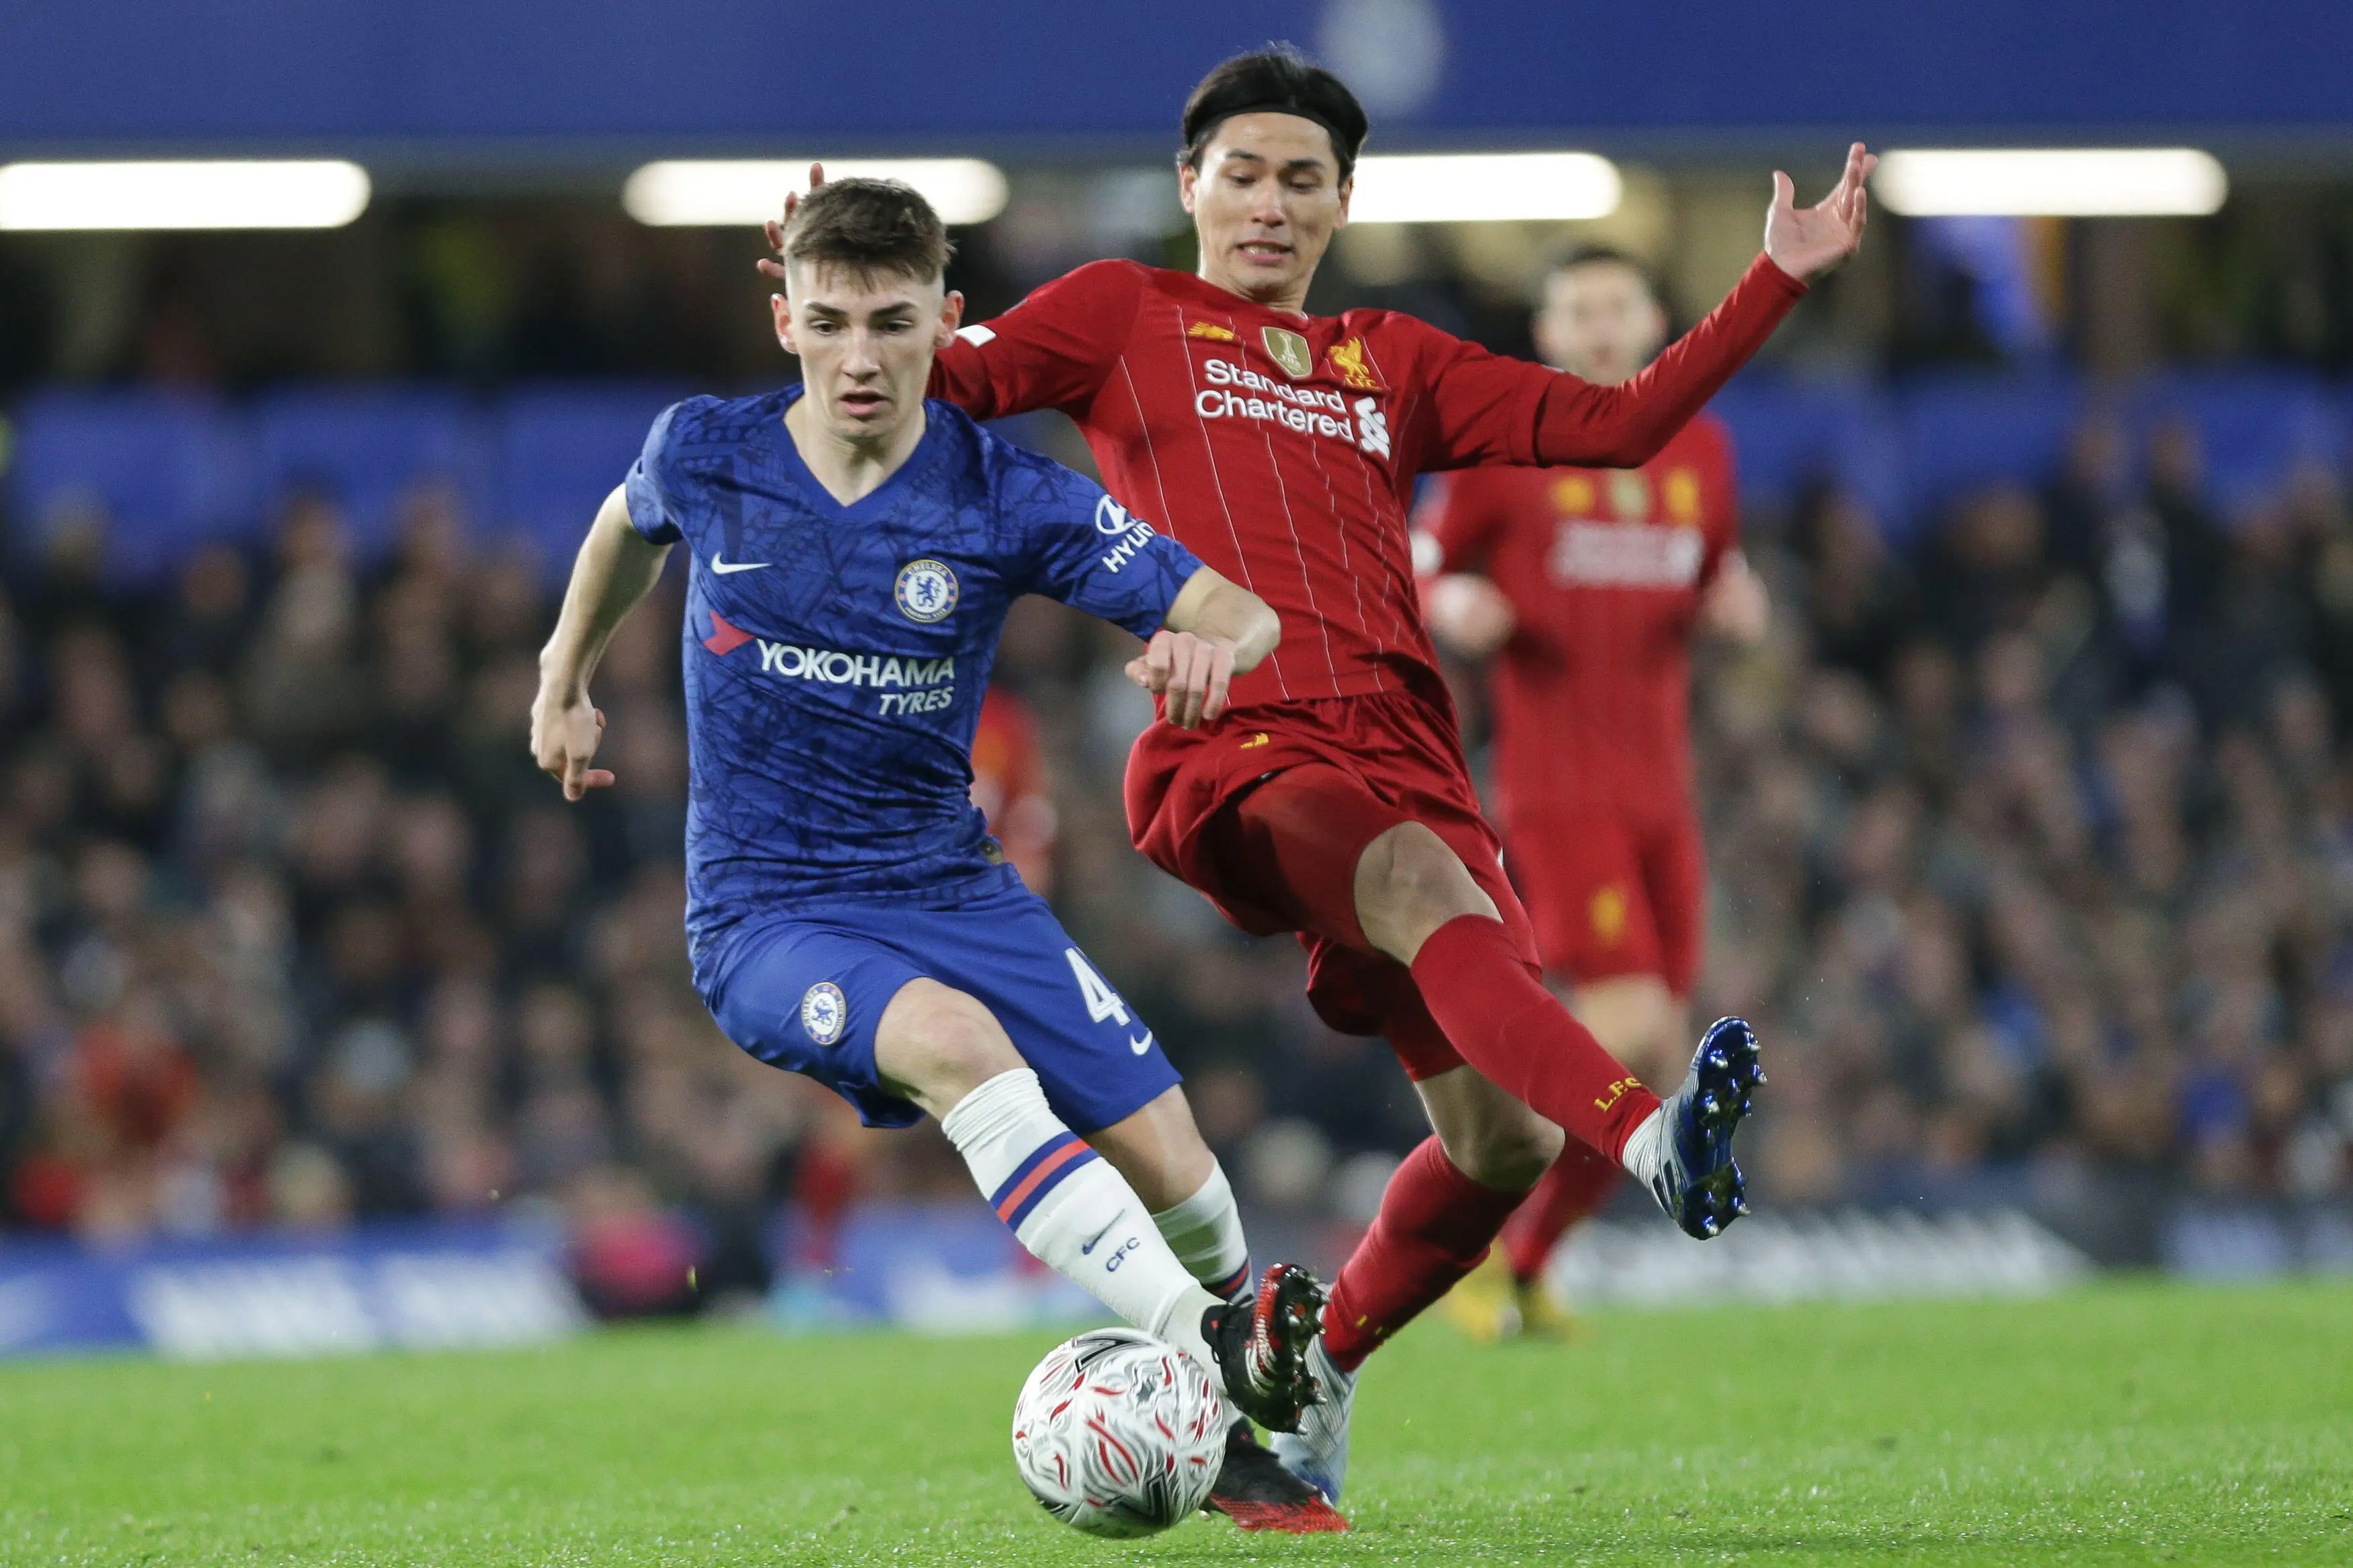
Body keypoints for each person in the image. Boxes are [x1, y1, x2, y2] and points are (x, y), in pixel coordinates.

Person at [766, 48, 1866, 1508]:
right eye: (1242, 174)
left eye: (1300, 179)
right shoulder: (1121, 313)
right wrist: (824, 290)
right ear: (1189, 187)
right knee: (1428, 902)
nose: (1268, 205)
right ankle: (1652, 1137)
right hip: (1238, 741)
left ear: (1343, 200)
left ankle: (1319, 1371)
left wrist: (1772, 280)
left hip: (1404, 753)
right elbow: (933, 387)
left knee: (1498, 1139)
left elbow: (1616, 426)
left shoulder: (1390, 361)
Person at [530, 177, 1347, 1530]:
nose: (861, 355)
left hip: (952, 886)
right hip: (770, 913)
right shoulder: (707, 450)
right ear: (783, 313)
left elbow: (1236, 610)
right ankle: (1212, 1359)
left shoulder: (1004, 493)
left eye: (894, 322)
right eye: (833, 319)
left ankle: (1229, 1393)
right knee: (963, 1046)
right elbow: (628, 523)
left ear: (946, 320)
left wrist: (1211, 640)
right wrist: (564, 674)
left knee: (1187, 1176)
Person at [1416, 247, 1771, 1342]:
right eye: (1580, 309)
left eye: (1619, 304)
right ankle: (1458, 1224)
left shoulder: (1701, 450)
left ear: (1657, 316)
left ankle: (1521, 1267)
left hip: (1666, 798)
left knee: (1660, 1059)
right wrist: (1452, 597)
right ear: (1549, 331)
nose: (1602, 324)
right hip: (1560, 793)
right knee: (1633, 1026)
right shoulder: (1506, 454)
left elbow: (1716, 573)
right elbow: (1413, 560)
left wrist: (1736, 603)